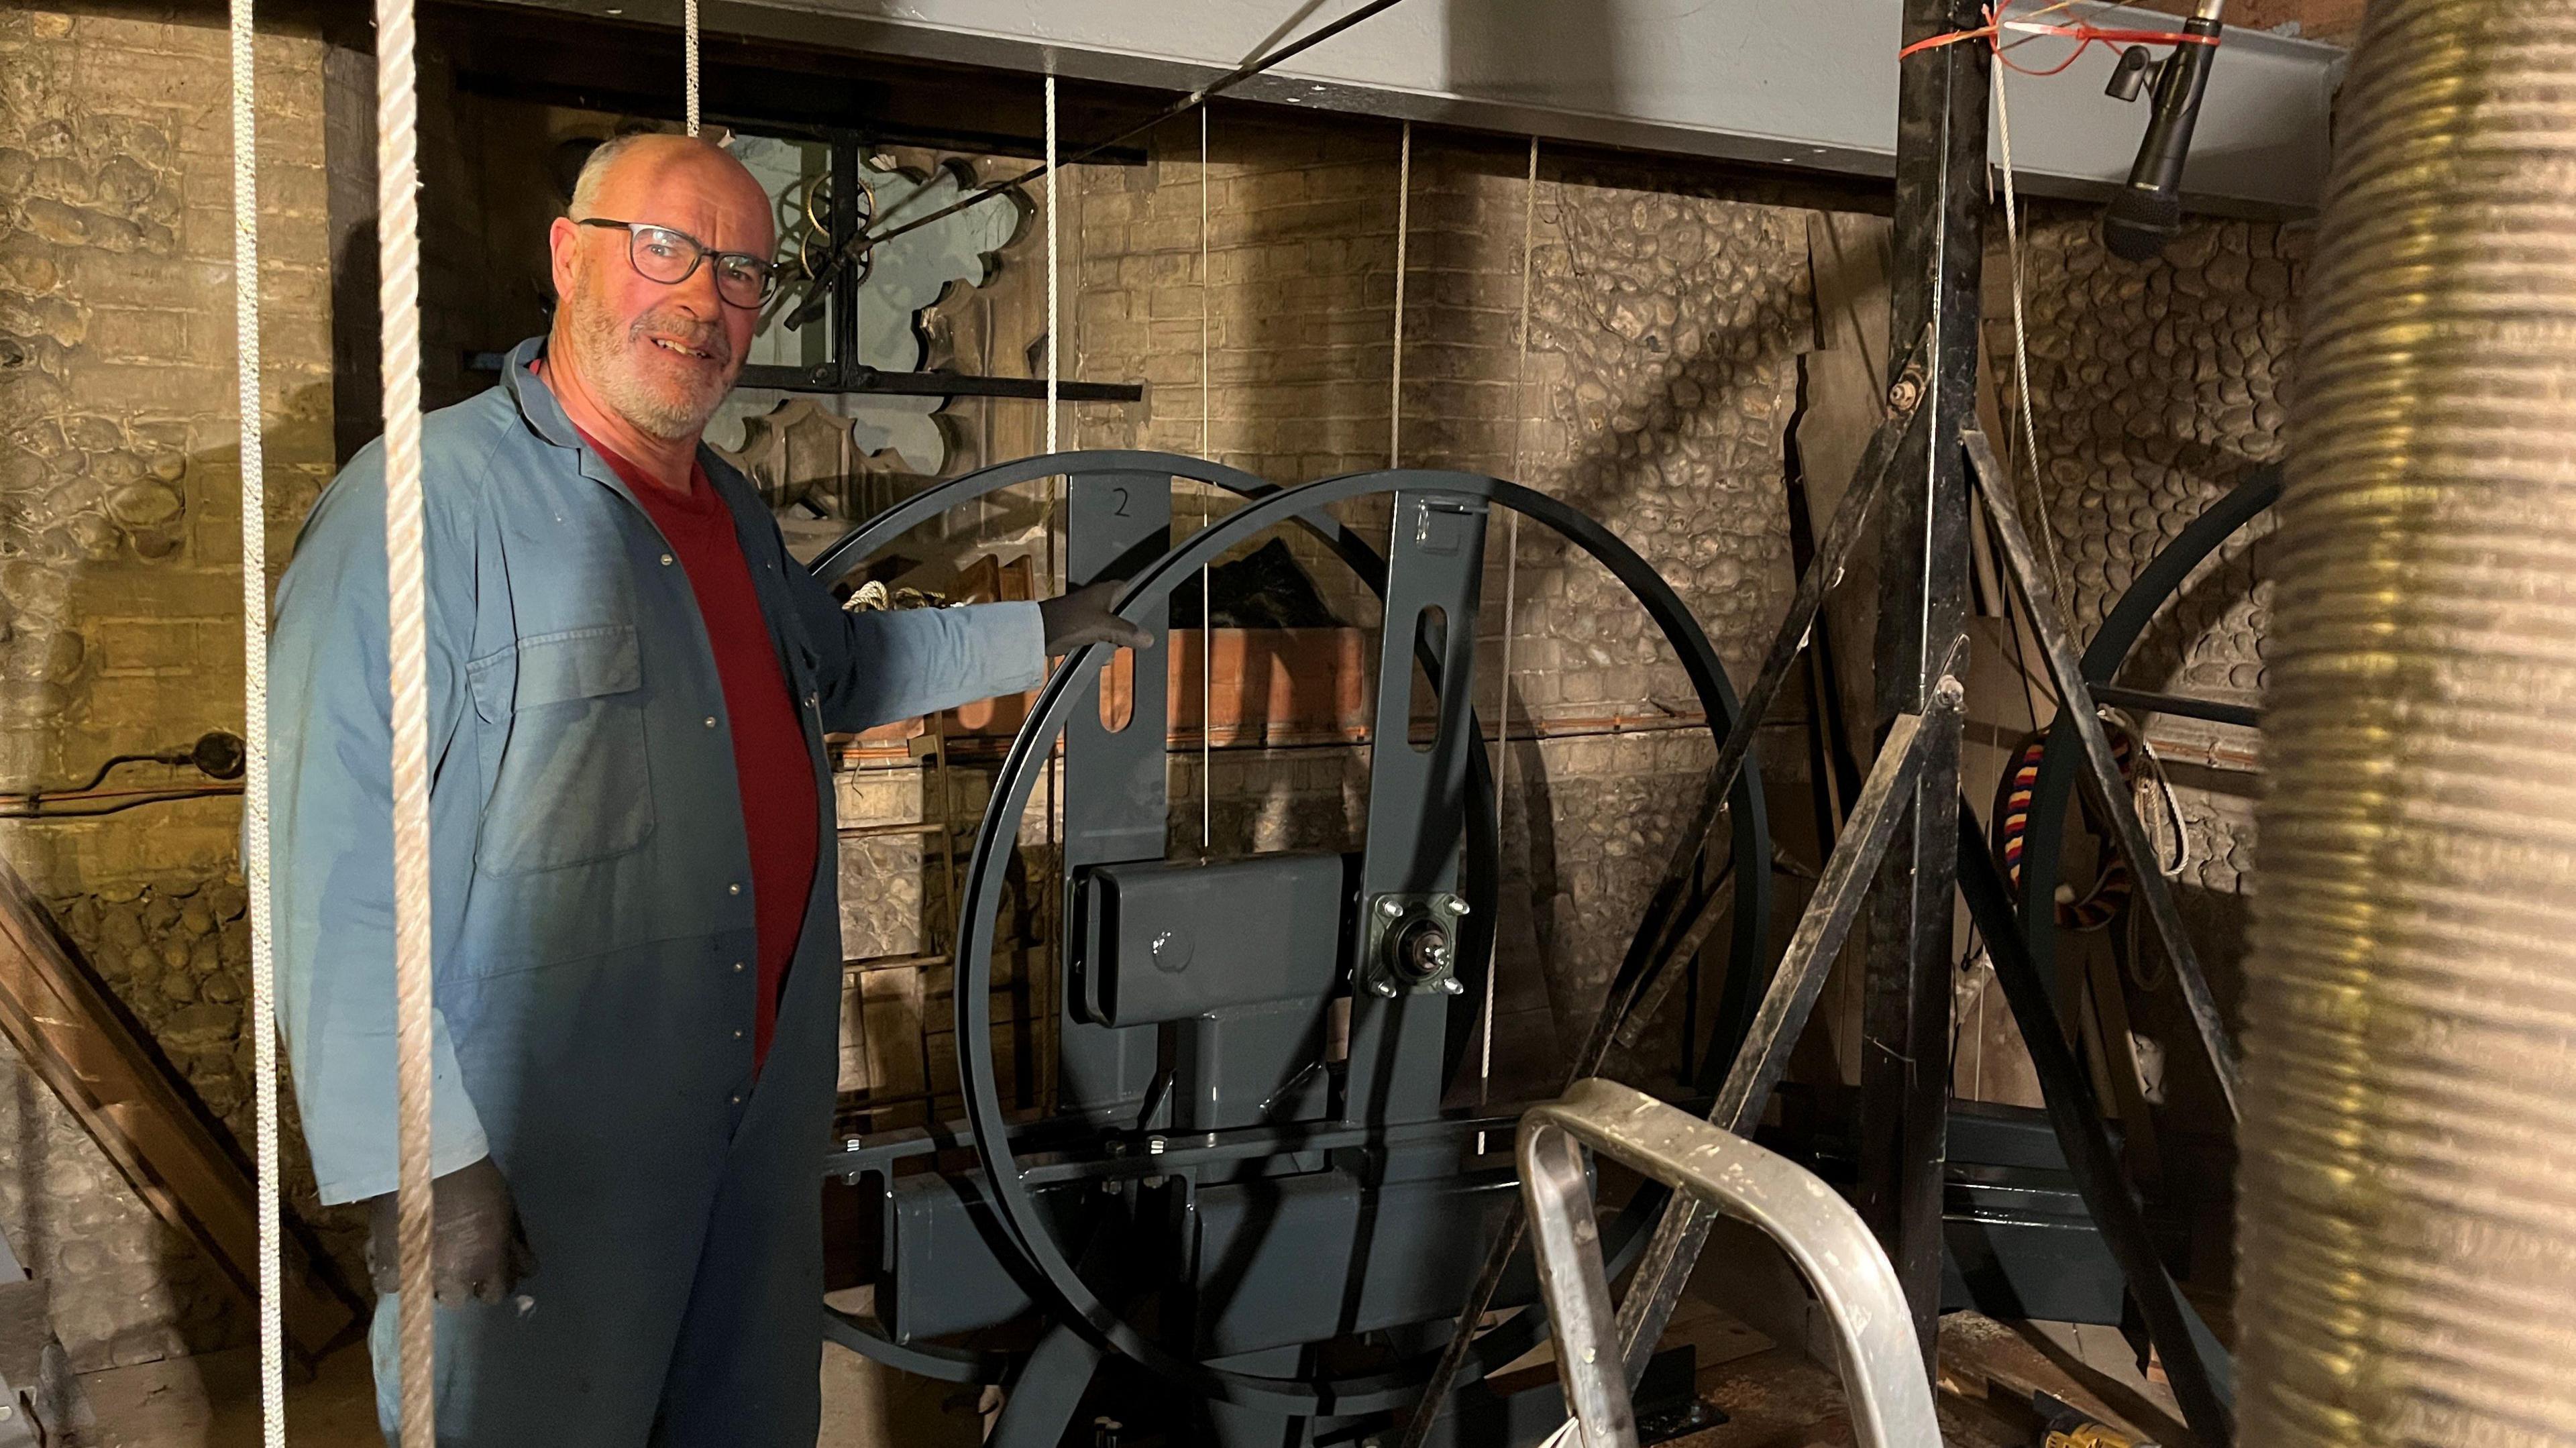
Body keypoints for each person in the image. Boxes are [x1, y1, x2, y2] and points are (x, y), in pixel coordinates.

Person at [267, 131, 1148, 1444]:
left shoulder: (728, 510)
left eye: (741, 275)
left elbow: (838, 665)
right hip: (547, 1150)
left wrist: (1044, 630)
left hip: (750, 1122)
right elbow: (323, 860)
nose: (703, 301)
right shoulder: (418, 510)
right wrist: (421, 1161)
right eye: (667, 250)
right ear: (570, 257)